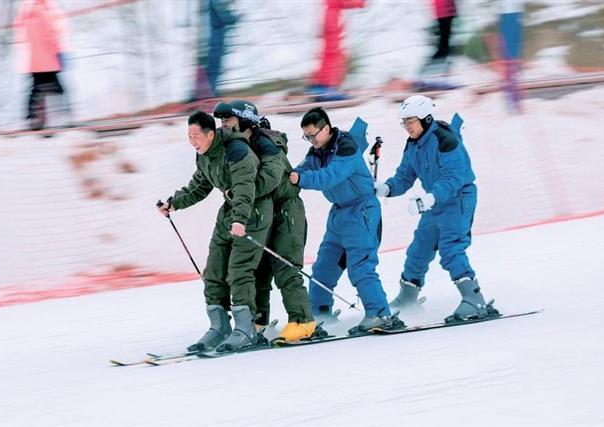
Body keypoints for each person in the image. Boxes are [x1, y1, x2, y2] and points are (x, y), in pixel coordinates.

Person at [374, 95, 497, 322]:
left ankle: (474, 299)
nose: (406, 127)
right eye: (404, 122)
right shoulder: (413, 144)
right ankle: (408, 295)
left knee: (451, 249)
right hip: (435, 201)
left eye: (410, 121)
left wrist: (429, 198)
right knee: (419, 248)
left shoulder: (445, 140)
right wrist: (386, 188)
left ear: (426, 118)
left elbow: (454, 176)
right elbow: (405, 175)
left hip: (458, 198)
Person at [158, 111, 272, 352]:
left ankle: (246, 328)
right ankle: (219, 326)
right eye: (189, 136)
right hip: (229, 211)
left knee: (239, 270)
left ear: (211, 134)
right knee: (214, 269)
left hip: (252, 211)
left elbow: (244, 187)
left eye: (196, 136)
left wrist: (241, 219)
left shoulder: (236, 150)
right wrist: (174, 203)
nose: (192, 141)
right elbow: (200, 185)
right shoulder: (204, 156)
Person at [290, 107, 404, 335]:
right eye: (307, 137)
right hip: (339, 215)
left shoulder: (346, 147)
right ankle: (320, 314)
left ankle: (380, 314)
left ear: (327, 128)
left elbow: (328, 176)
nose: (310, 141)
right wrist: (287, 178)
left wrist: (300, 179)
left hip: (362, 211)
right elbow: (300, 170)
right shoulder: (317, 151)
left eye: (313, 135)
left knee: (360, 267)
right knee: (323, 268)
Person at [213, 100, 317, 342]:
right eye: (221, 121)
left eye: (228, 119)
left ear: (245, 120)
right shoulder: (237, 145)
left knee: (285, 266)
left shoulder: (267, 145)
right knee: (257, 268)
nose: (223, 125)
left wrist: (239, 192)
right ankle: (257, 321)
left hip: (285, 212)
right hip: (261, 212)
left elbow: (269, 179)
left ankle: (303, 321)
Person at [12, 0, 70, 130]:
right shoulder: (42, 9)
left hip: (35, 59)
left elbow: (21, 34)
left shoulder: (28, 9)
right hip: (46, 57)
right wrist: (59, 52)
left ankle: (34, 120)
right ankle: (62, 116)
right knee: (55, 88)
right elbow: (52, 33)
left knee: (37, 89)